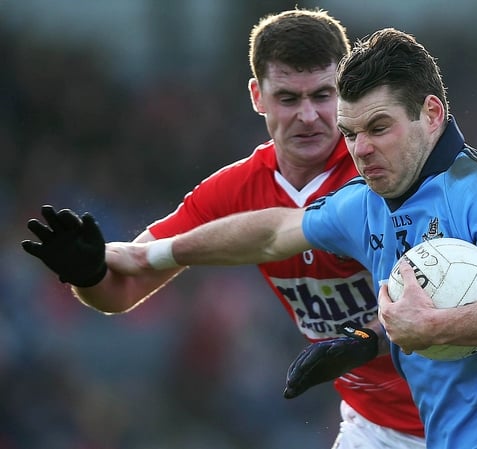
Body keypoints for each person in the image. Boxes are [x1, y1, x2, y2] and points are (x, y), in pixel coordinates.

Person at [84, 28, 477, 449]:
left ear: (431, 114)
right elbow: (272, 232)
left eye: (379, 128)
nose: (361, 149)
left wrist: (434, 326)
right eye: (351, 133)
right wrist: (148, 254)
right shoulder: (364, 202)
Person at [20, 9, 426, 449]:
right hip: (376, 427)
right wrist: (88, 274)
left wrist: (363, 340)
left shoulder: (386, 172)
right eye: (288, 98)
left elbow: (440, 297)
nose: (308, 116)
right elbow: (125, 288)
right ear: (257, 96)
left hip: (461, 408)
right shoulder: (233, 191)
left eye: (323, 96)